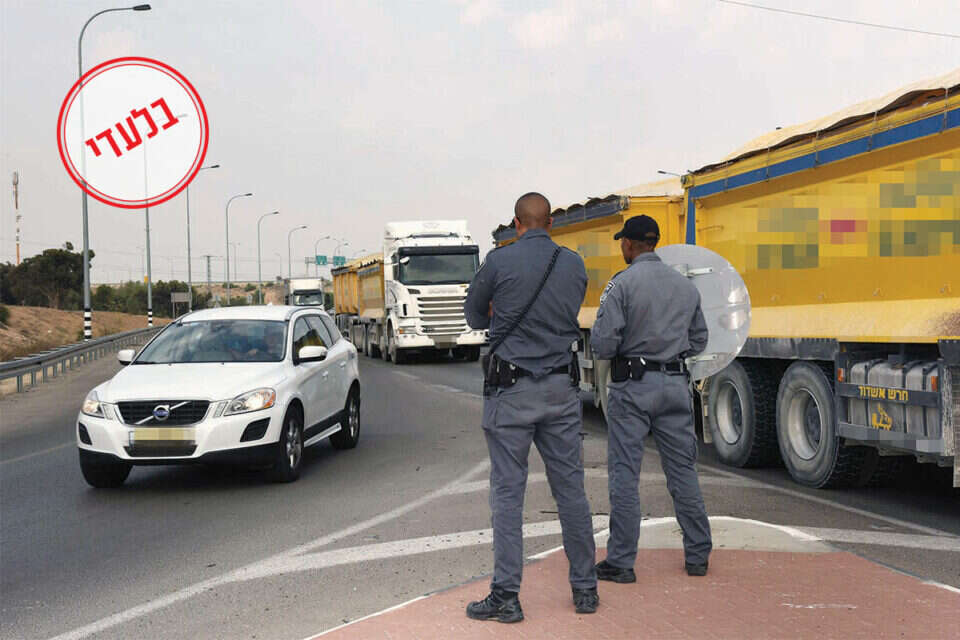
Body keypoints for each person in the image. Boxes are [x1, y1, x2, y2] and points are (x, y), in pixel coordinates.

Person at [463, 192, 598, 623]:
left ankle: (506, 596)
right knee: (571, 491)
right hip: (561, 390)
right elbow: (567, 310)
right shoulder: (573, 264)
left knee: (508, 493)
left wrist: (499, 312)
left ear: (517, 224)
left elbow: (474, 317)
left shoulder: (499, 262)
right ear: (551, 222)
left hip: (511, 392)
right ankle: (585, 588)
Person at [590, 214, 711, 582]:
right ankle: (698, 556)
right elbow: (700, 339)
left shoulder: (622, 284)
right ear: (654, 242)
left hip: (632, 389)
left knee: (625, 474)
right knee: (683, 471)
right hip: (674, 385)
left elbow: (602, 344)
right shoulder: (685, 286)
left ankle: (621, 562)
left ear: (628, 244)